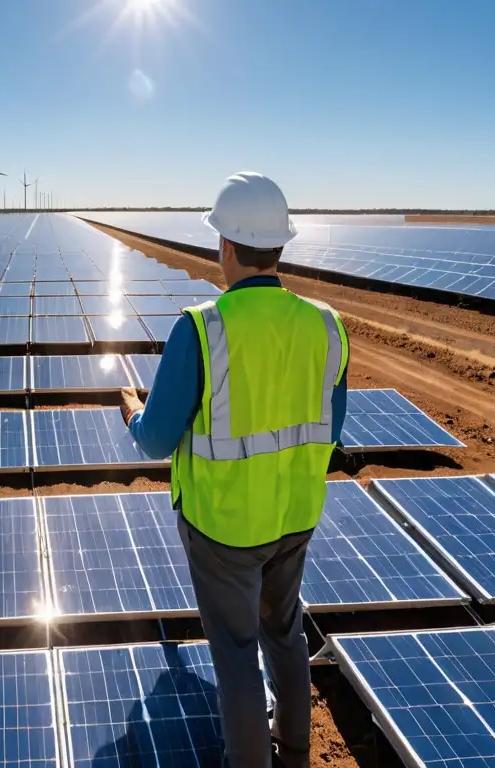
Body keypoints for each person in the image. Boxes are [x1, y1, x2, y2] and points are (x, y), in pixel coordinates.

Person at [119, 171, 348, 768]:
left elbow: (157, 440)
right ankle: (294, 754)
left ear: (224, 246)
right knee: (286, 634)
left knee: (237, 654)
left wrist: (133, 413)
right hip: (296, 517)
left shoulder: (203, 328)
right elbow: (333, 428)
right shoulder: (326, 325)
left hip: (222, 528)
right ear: (280, 246)